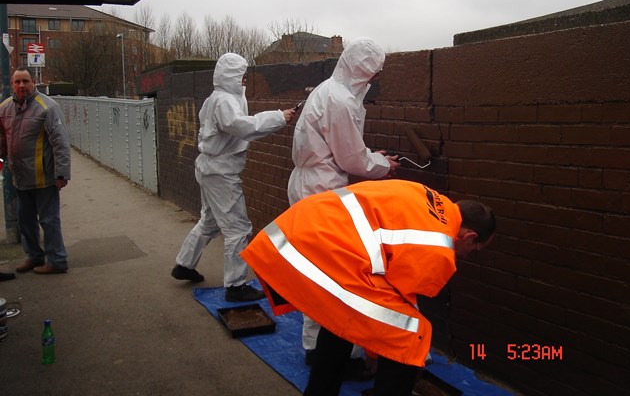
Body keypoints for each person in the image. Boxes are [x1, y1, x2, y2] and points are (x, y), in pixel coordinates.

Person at [241, 179, 495, 396]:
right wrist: (375, 352)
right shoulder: (439, 247)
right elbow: (397, 309)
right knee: (411, 335)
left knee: (342, 314)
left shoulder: (426, 195)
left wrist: (372, 345)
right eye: (474, 250)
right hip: (321, 248)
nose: (468, 255)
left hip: (298, 233)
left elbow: (385, 298)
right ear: (469, 236)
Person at [287, 36, 400, 364]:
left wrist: (367, 155)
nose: (376, 79)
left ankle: (315, 345)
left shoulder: (329, 89)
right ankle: (332, 354)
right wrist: (382, 165)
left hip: (312, 183)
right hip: (321, 191)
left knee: (317, 269)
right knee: (335, 272)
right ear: (363, 70)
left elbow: (342, 147)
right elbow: (351, 159)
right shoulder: (340, 99)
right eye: (374, 72)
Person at [171, 53, 296, 302]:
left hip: (210, 168)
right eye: (242, 76)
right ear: (231, 76)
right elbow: (243, 127)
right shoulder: (225, 101)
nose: (245, 80)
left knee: (209, 221)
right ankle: (236, 286)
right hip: (221, 173)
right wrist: (279, 117)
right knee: (238, 227)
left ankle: (184, 265)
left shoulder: (217, 98)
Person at [0, 67, 71, 275]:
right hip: (19, 177)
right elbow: (2, 141)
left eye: (26, 81)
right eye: (17, 82)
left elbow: (60, 142)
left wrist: (62, 173)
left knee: (49, 221)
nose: (21, 86)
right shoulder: (4, 108)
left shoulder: (47, 107)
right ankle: (34, 256)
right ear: (12, 84)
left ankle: (57, 260)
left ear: (33, 83)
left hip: (44, 177)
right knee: (26, 221)